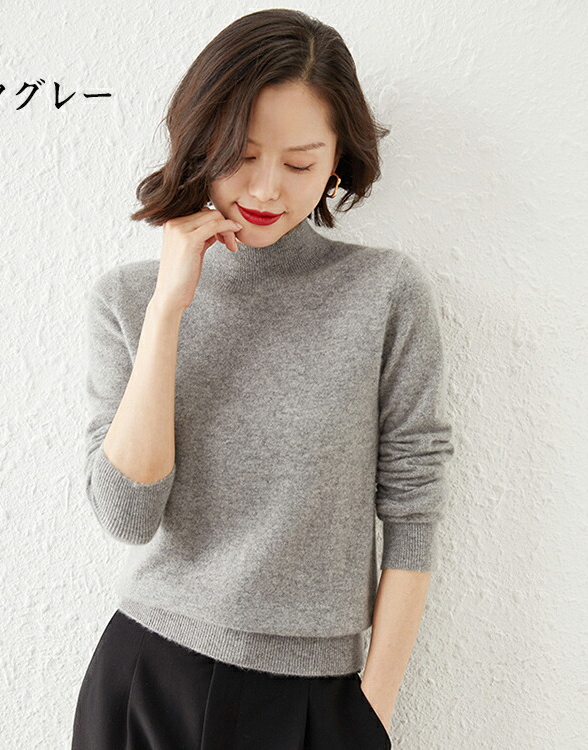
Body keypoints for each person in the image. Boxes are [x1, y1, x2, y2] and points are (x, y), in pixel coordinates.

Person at [71, 9, 454, 750]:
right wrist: (169, 310)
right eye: (241, 156)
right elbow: (126, 517)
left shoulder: (383, 294)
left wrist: (372, 710)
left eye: (300, 164)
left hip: (318, 700)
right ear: (202, 146)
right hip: (151, 675)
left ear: (337, 161)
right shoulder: (128, 298)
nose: (267, 188)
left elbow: (414, 507)